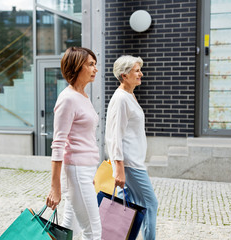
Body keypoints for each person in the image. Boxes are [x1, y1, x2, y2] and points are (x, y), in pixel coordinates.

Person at [46, 47, 102, 240]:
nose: (95, 69)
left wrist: (90, 173)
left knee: (69, 228)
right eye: (91, 64)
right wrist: (55, 187)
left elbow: (85, 138)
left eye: (95, 64)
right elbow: (58, 144)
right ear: (77, 66)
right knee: (93, 232)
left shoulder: (83, 96)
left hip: (84, 170)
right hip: (77, 170)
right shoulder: (68, 99)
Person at [105, 55, 158, 240]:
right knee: (150, 203)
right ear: (124, 75)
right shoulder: (120, 99)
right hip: (129, 163)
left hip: (132, 161)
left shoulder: (129, 95)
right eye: (137, 70)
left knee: (132, 206)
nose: (141, 73)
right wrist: (118, 167)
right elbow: (114, 135)